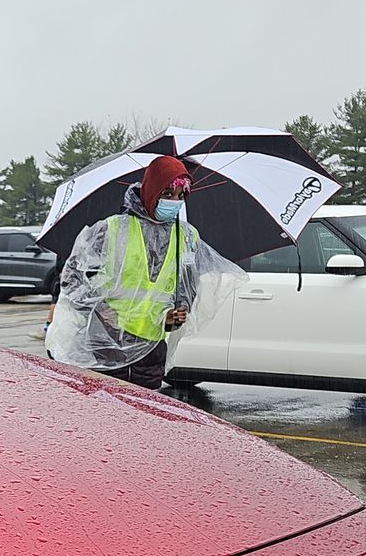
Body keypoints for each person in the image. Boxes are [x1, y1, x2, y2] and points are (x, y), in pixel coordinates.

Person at [46, 154, 235, 389]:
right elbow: (73, 279)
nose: (174, 202)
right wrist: (100, 310)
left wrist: (175, 316)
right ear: (151, 191)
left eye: (180, 196)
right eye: (167, 194)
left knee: (144, 420)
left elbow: (186, 288)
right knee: (106, 416)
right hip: (107, 345)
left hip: (151, 350)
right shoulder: (112, 229)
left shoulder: (186, 237)